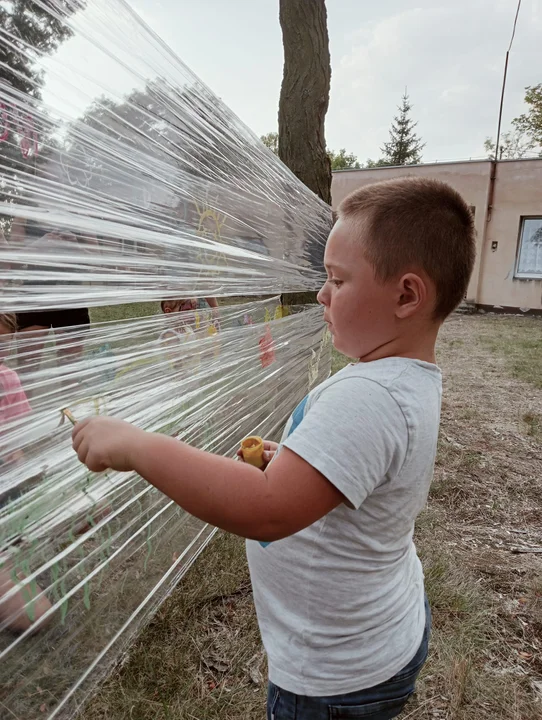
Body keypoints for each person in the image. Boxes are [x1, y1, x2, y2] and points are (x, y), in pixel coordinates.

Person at [71, 177, 476, 719]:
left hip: (335, 679)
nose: (321, 294)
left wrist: (138, 447)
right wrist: (291, 460)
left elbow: (265, 508)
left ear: (406, 295)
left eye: (337, 280)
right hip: (378, 635)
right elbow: (347, 475)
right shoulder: (401, 381)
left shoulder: (371, 397)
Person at [0, 312, 52, 633]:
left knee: (38, 615)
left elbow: (16, 445)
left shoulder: (8, 380)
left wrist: (22, 471)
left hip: (6, 490)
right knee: (34, 614)